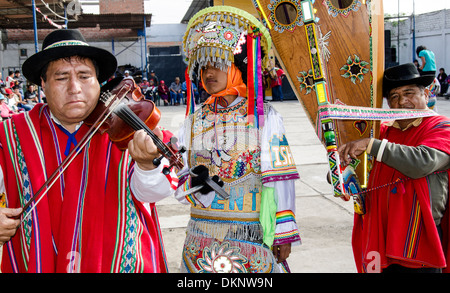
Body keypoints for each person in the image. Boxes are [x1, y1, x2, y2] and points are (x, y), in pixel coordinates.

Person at [0, 29, 177, 273]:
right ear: (43, 83)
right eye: (61, 78)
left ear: (99, 82)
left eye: (84, 76)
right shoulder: (11, 134)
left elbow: (156, 193)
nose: (75, 88)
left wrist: (147, 166)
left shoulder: (130, 128)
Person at [176, 6, 301, 273]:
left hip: (249, 237)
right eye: (204, 66)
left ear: (237, 67)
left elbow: (280, 177)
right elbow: (177, 174)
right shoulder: (193, 120)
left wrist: (283, 232)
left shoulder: (265, 117)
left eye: (218, 64)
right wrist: (191, 184)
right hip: (200, 239)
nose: (209, 73)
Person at [338, 63, 450, 273]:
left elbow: (421, 162)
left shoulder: (441, 126)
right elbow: (357, 168)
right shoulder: (381, 131)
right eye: (394, 96)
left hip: (418, 236)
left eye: (409, 93)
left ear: (426, 93)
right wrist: (340, 171)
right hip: (380, 233)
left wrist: (371, 145)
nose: (402, 101)